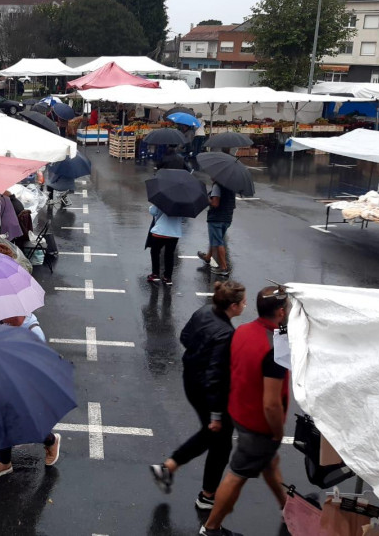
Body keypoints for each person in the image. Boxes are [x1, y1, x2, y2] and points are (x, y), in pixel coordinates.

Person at [200, 286, 291, 536]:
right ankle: (211, 528)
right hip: (259, 424)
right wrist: (277, 431)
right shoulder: (274, 349)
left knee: (269, 462)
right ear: (281, 312)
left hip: (239, 410)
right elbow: (271, 403)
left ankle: (287, 506)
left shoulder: (243, 330)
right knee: (237, 474)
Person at [150, 281, 246, 511]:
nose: (245, 305)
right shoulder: (226, 334)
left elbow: (184, 337)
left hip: (191, 380)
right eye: (243, 302)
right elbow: (216, 376)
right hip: (210, 393)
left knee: (213, 436)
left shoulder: (203, 311)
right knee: (220, 440)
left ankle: (172, 469)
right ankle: (205, 494)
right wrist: (216, 414)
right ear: (233, 306)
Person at [0, 312, 62, 480]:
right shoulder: (6, 323)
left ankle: (50, 441)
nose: (0, 318)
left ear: (17, 313)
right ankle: (4, 462)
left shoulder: (34, 333)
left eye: (5, 315)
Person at [197, 181, 236, 276]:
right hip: (227, 218)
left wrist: (206, 199)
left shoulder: (217, 186)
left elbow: (215, 203)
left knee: (219, 242)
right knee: (216, 238)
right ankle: (207, 257)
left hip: (216, 218)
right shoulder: (231, 186)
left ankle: (223, 268)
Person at [146, 204, 183, 285]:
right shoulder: (182, 202)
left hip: (160, 231)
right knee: (169, 254)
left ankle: (155, 273)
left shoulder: (162, 200)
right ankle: (168, 277)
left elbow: (153, 211)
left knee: (155, 252)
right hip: (174, 232)